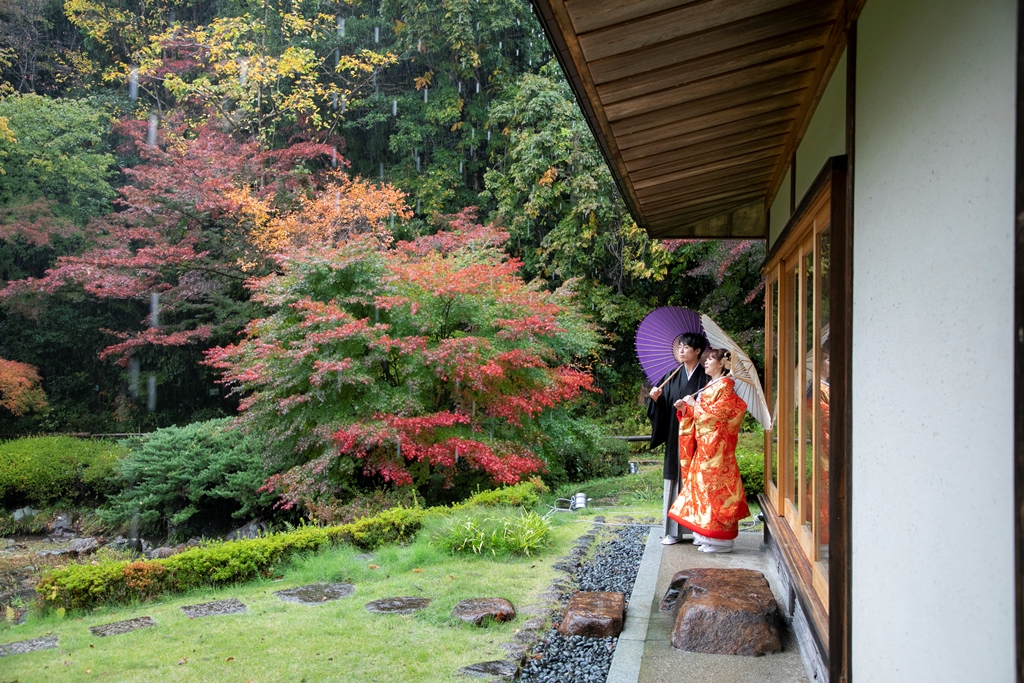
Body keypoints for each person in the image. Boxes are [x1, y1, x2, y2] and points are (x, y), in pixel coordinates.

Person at [668, 348, 750, 554]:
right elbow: (700, 415)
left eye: (710, 359)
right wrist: (685, 410)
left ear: (722, 364)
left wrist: (694, 404)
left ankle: (722, 540)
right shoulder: (711, 385)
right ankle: (707, 535)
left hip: (718, 451)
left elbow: (718, 417)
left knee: (717, 492)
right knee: (702, 490)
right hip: (706, 449)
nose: (705, 363)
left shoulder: (726, 387)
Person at [647, 332, 708, 545]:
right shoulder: (671, 375)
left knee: (697, 482)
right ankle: (672, 531)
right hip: (675, 436)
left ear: (698, 351)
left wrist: (691, 406)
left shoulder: (707, 378)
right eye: (679, 347)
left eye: (686, 347)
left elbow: (711, 412)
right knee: (674, 480)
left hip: (697, 439)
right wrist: (656, 400)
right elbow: (662, 410)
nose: (681, 351)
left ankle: (698, 531)